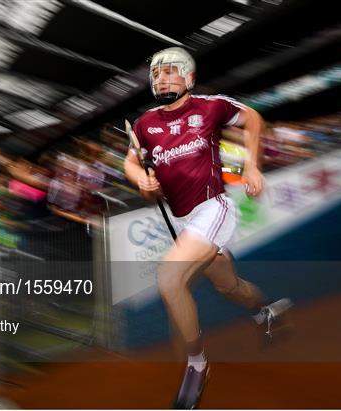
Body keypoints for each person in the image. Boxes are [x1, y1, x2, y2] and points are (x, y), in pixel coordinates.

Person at [123, 47, 292, 409]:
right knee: (228, 286)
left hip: (213, 207)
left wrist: (251, 166)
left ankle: (198, 365)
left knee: (169, 279)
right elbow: (130, 162)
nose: (163, 78)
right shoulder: (145, 123)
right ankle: (265, 311)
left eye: (171, 72)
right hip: (185, 219)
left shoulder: (210, 106)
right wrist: (141, 179)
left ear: (189, 78)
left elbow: (254, 119)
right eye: (157, 74)